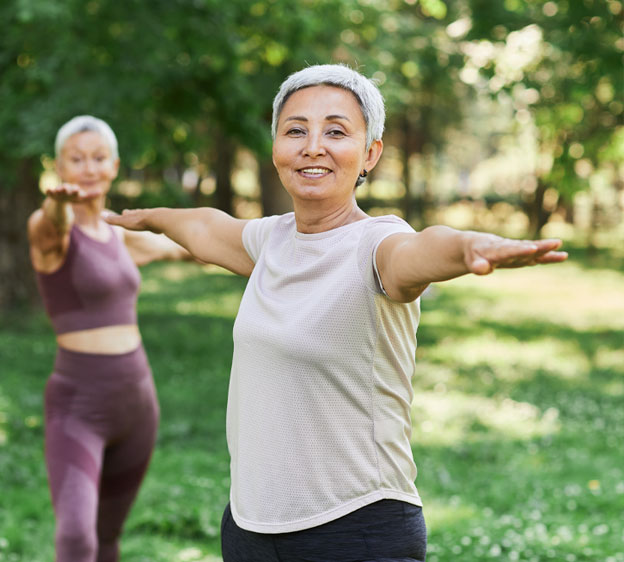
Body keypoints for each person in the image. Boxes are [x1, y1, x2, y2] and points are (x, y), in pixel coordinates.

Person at [105, 64, 568, 562]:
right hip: (249, 526)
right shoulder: (273, 240)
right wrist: (150, 217)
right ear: (277, 149)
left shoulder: (377, 245)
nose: (313, 146)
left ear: (370, 153)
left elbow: (421, 251)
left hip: (355, 528)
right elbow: (204, 226)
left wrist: (467, 247)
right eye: (296, 130)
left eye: (336, 131)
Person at [27, 115, 193, 562]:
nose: (88, 167)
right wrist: (57, 205)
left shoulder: (121, 235)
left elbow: (185, 247)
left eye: (98, 158)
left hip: (137, 403)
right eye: (75, 159)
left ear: (115, 165)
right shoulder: (52, 231)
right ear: (59, 167)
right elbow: (51, 226)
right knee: (77, 539)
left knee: (106, 540)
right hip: (79, 405)